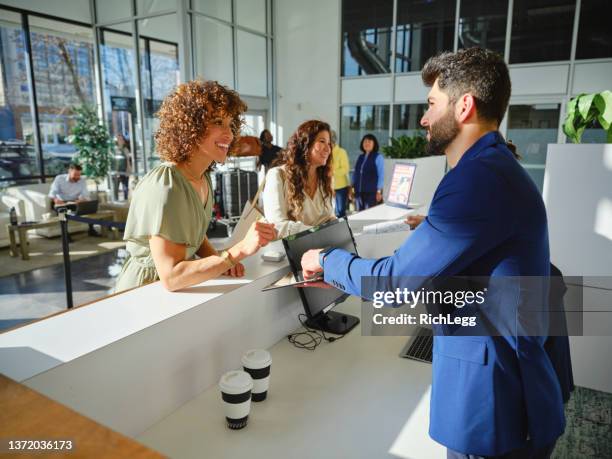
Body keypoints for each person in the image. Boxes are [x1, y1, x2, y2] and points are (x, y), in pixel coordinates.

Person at [301, 48, 566, 458]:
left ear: (464, 106)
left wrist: (325, 260)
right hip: (510, 385)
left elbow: (393, 284)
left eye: (430, 104)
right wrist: (435, 231)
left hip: (495, 407)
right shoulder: (496, 167)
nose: (424, 119)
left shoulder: (476, 179)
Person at [114, 80, 276, 293]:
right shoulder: (167, 185)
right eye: (217, 121)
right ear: (190, 125)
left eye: (230, 124)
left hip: (179, 291)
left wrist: (217, 260)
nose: (228, 134)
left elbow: (194, 234)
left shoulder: (202, 177)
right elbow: (171, 277)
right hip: (145, 292)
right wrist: (237, 252)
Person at [262, 120, 335, 239]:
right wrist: (318, 234)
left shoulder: (325, 180)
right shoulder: (277, 175)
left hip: (321, 249)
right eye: (322, 141)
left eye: (329, 143)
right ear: (305, 143)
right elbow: (277, 226)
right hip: (289, 252)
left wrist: (338, 227)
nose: (328, 149)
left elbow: (329, 217)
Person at [48, 163, 98, 236]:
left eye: (79, 175)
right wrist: (55, 199)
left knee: (89, 209)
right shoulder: (59, 178)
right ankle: (65, 234)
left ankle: (91, 229)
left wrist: (82, 199)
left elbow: (85, 194)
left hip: (75, 202)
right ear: (69, 171)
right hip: (61, 203)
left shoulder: (82, 180)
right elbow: (52, 193)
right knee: (62, 213)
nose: (77, 177)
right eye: (75, 174)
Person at [352, 134, 384, 210]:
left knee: (369, 215)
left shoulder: (378, 157)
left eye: (369, 141)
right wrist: (352, 187)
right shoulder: (360, 157)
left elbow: (381, 175)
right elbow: (355, 173)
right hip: (358, 192)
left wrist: (379, 191)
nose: (367, 143)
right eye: (365, 141)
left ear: (374, 144)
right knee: (359, 215)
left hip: (371, 193)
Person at [330, 130, 350, 218]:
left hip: (340, 187)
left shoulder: (341, 152)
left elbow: (345, 169)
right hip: (328, 187)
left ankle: (344, 230)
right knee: (331, 213)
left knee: (340, 212)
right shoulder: (326, 152)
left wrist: (332, 172)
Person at [113, 133, 132, 201]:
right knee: (115, 188)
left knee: (125, 187)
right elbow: (114, 161)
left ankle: (126, 200)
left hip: (124, 171)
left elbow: (128, 161)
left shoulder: (126, 149)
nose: (120, 140)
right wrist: (115, 171)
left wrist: (128, 170)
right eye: (118, 139)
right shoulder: (114, 150)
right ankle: (115, 201)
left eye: (121, 139)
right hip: (116, 172)